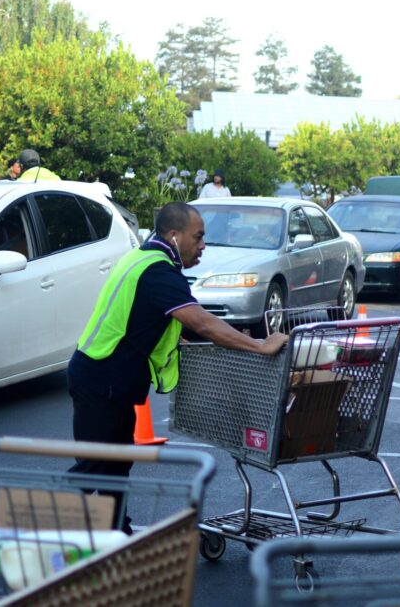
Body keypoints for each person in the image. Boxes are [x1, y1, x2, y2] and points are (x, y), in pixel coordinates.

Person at [67, 202, 288, 531]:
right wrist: (259, 345)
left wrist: (228, 338)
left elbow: (164, 322)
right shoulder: (158, 271)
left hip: (106, 377)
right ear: (174, 236)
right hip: (103, 378)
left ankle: (116, 533)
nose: (202, 246)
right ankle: (52, 538)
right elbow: (200, 322)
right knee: (93, 466)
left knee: (115, 463)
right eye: (198, 237)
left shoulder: (141, 258)